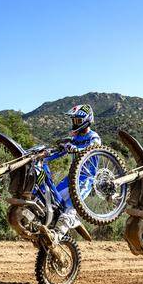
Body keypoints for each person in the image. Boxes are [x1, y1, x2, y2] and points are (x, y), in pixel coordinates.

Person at [46, 104, 101, 243]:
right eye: (74, 120)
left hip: (86, 178)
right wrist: (45, 157)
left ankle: (57, 236)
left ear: (87, 120)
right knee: (51, 199)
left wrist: (76, 148)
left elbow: (93, 148)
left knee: (70, 205)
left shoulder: (93, 136)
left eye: (78, 120)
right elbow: (61, 151)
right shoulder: (74, 138)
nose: (75, 123)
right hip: (71, 177)